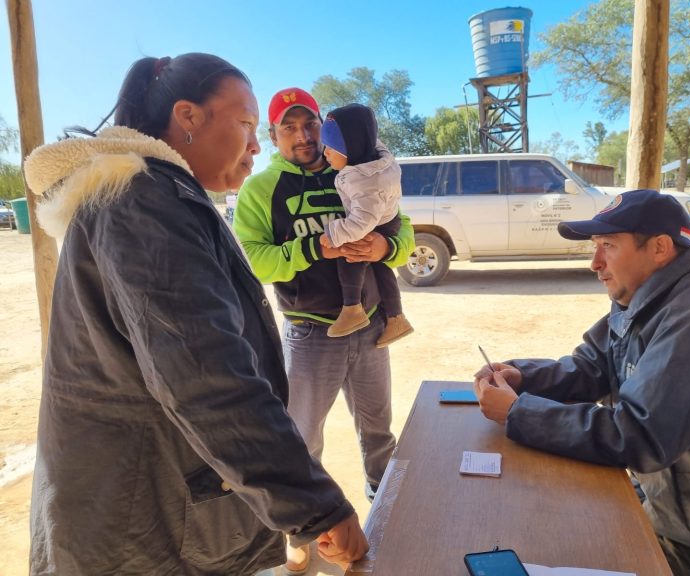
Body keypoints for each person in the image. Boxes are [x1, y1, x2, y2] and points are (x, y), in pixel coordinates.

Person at [23, 54, 367, 575]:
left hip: (143, 505)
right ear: (188, 117)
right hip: (137, 525)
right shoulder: (143, 202)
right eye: (247, 123)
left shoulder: (153, 195)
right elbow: (207, 377)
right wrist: (315, 508)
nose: (256, 144)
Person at [473, 189, 690, 575]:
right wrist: (525, 377)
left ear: (660, 248)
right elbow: (594, 365)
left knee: (563, 543)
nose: (595, 263)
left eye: (608, 246)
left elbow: (638, 435)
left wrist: (518, 412)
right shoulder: (651, 293)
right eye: (596, 246)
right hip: (676, 505)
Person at [234, 87, 415, 573]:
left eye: (309, 124)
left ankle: (387, 516)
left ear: (324, 126)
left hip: (374, 328)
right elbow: (254, 260)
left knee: (378, 434)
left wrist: (382, 250)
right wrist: (316, 249)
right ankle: (302, 530)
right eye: (288, 128)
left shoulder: (354, 170)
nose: (302, 136)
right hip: (312, 336)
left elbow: (404, 230)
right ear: (273, 136)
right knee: (302, 440)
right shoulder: (261, 189)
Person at [318, 103, 414, 344]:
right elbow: (366, 135)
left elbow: (360, 222)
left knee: (350, 255)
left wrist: (334, 232)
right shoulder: (375, 157)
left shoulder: (365, 181)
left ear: (350, 149)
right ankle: (396, 318)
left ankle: (352, 309)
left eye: (330, 147)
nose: (325, 153)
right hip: (386, 220)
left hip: (375, 223)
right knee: (382, 268)